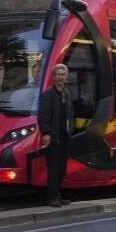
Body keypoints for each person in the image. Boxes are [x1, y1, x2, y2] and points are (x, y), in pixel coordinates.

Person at [38, 63, 74, 207]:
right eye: (58, 74)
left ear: (66, 76)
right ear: (54, 77)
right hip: (53, 136)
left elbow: (70, 113)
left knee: (61, 168)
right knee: (53, 168)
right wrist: (46, 133)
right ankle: (51, 197)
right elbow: (43, 116)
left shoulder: (67, 93)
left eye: (63, 75)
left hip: (65, 136)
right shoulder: (48, 94)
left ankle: (58, 195)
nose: (60, 77)